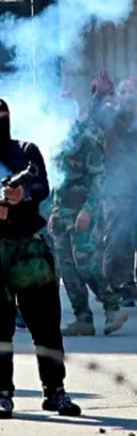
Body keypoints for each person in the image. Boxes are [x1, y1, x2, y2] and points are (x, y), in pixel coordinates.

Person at [0, 97, 81, 419]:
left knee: (46, 324)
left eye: (3, 117)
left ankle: (55, 390)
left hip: (30, 250)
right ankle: (2, 393)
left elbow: (43, 186)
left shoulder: (26, 152)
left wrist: (24, 195)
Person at [49, 93, 127, 336]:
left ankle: (113, 308)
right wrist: (54, 211)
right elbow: (56, 180)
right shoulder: (55, 138)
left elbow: (98, 178)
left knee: (86, 265)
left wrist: (88, 210)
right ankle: (82, 318)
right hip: (62, 212)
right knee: (67, 268)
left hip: (83, 210)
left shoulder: (87, 138)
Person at [103, 78, 137, 308]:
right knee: (118, 239)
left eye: (131, 92)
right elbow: (94, 120)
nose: (127, 96)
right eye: (123, 92)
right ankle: (118, 286)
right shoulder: (110, 119)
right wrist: (98, 96)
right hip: (118, 191)